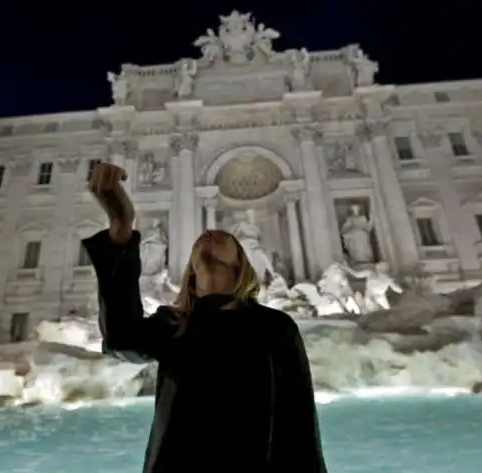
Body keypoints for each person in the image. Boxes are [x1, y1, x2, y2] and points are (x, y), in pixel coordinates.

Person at [83, 163, 328, 473]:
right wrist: (121, 230)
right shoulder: (173, 323)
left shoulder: (275, 327)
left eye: (222, 237)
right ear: (191, 271)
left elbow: (300, 425)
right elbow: (119, 338)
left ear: (242, 266)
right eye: (201, 242)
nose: (209, 235)